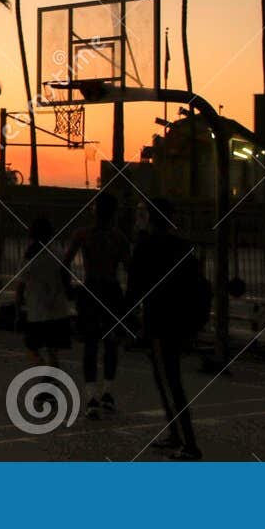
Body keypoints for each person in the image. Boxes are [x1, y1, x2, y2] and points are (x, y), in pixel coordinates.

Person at [128, 200, 205, 459]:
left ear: (149, 218)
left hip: (159, 320)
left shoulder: (145, 247)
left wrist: (128, 319)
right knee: (168, 379)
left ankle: (189, 444)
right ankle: (176, 434)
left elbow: (134, 288)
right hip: (180, 318)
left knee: (170, 381)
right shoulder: (182, 246)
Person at [65, 190, 129, 418]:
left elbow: (65, 263)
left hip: (91, 288)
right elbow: (129, 268)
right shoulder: (118, 237)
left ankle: (92, 395)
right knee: (110, 343)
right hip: (111, 290)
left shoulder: (83, 234)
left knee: (91, 344)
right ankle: (107, 392)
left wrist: (68, 289)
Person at [17, 216, 71, 367]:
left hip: (37, 310)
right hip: (58, 308)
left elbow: (21, 284)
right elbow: (66, 278)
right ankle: (51, 373)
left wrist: (17, 307)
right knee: (52, 350)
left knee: (31, 347)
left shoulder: (30, 255)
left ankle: (43, 370)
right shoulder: (59, 253)